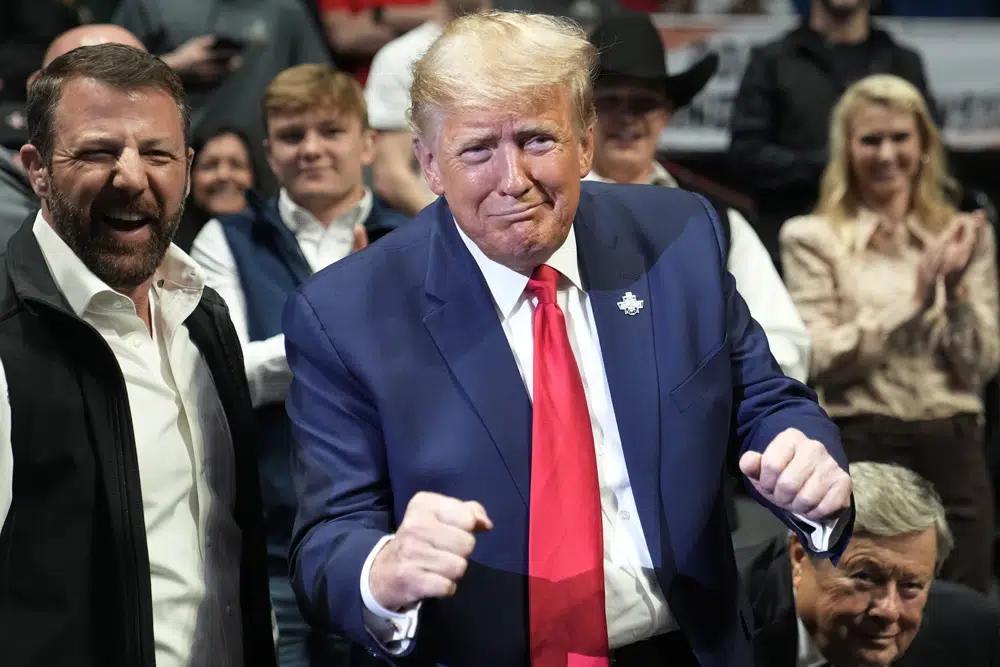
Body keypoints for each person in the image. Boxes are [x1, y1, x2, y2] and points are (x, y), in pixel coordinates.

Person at [283, 11, 854, 667]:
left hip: (687, 647)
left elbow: (766, 401)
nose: (513, 178)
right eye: (476, 149)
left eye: (537, 139)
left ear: (585, 142)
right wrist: (383, 570)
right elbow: (328, 535)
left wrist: (801, 452)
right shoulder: (346, 312)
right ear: (428, 163)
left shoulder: (675, 237)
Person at [0, 43, 275, 667]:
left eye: (157, 153)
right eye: (98, 151)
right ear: (36, 168)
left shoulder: (205, 319)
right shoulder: (7, 340)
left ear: (187, 165)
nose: (132, 176)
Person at [190, 63, 407, 667]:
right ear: (269, 151)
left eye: (330, 131)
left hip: (384, 534)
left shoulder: (413, 238)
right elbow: (227, 374)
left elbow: (422, 378)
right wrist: (352, 340)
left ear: (367, 142)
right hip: (266, 537)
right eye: (291, 135)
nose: (311, 148)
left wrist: (292, 353)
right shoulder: (225, 238)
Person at [780, 74, 999, 595]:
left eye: (901, 137)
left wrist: (956, 290)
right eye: (870, 140)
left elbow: (981, 364)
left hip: (953, 442)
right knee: (862, 604)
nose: (887, 154)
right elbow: (820, 358)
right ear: (847, 149)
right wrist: (916, 302)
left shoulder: (963, 236)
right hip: (859, 441)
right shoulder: (811, 237)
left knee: (963, 608)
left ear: (924, 144)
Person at [584, 13, 811, 383]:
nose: (627, 118)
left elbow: (787, 346)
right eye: (609, 102)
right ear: (583, 115)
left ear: (666, 114)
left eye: (643, 104)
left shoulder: (717, 221)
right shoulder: (549, 215)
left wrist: (707, 386)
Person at [729, 0, 934, 270]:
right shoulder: (772, 62)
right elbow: (746, 156)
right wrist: (836, 164)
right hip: (791, 253)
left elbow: (931, 152)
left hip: (892, 254)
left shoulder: (903, 63)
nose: (884, 153)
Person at [739, 461, 1000, 667]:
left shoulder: (972, 633)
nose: (889, 610)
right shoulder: (713, 614)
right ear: (800, 557)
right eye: (865, 578)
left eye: (911, 585)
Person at [114, 0, 332, 194]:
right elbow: (109, 82)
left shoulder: (286, 10)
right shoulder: (147, 5)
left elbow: (323, 91)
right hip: (168, 165)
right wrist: (173, 66)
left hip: (263, 174)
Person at [0, 24, 149, 244]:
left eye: (133, 82)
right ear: (36, 88)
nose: (108, 97)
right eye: (88, 78)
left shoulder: (153, 189)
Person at [364, 0, 491, 216]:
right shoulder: (399, 58)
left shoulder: (528, 50)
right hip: (441, 220)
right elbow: (391, 175)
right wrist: (454, 230)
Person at [175, 127, 257, 252]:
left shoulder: (277, 241)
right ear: (189, 176)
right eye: (210, 166)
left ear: (253, 176)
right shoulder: (169, 249)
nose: (223, 175)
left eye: (236, 165)